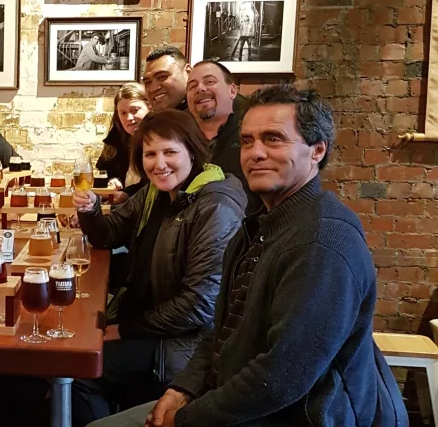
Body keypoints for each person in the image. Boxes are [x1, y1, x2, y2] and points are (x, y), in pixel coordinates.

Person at [88, 85, 407, 427]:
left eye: (273, 139)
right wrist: (184, 387)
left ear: (316, 151)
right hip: (231, 396)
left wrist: (187, 417)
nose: (255, 153)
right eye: (247, 140)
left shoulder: (322, 241)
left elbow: (282, 379)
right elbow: (221, 327)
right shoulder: (259, 225)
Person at [71, 109, 247, 427]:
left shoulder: (214, 206)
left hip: (183, 346)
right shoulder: (157, 192)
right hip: (147, 322)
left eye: (169, 152)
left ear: (192, 151)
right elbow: (108, 234)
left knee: (81, 371)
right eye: (150, 154)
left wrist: (125, 329)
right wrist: (91, 210)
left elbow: (200, 305)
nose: (159, 163)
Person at [186, 60, 262, 213]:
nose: (200, 88)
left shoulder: (253, 135)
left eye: (210, 81)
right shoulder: (180, 139)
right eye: (192, 86)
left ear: (232, 91)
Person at [96, 82, 151, 205]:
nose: (129, 118)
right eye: (123, 113)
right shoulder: (116, 139)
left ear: (150, 108)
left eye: (135, 110)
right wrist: (111, 180)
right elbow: (100, 174)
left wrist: (127, 194)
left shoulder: (159, 141)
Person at [143, 46, 191, 111]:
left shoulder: (204, 116)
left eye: (162, 77)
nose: (153, 89)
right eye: (147, 83)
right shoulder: (149, 120)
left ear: (188, 72)